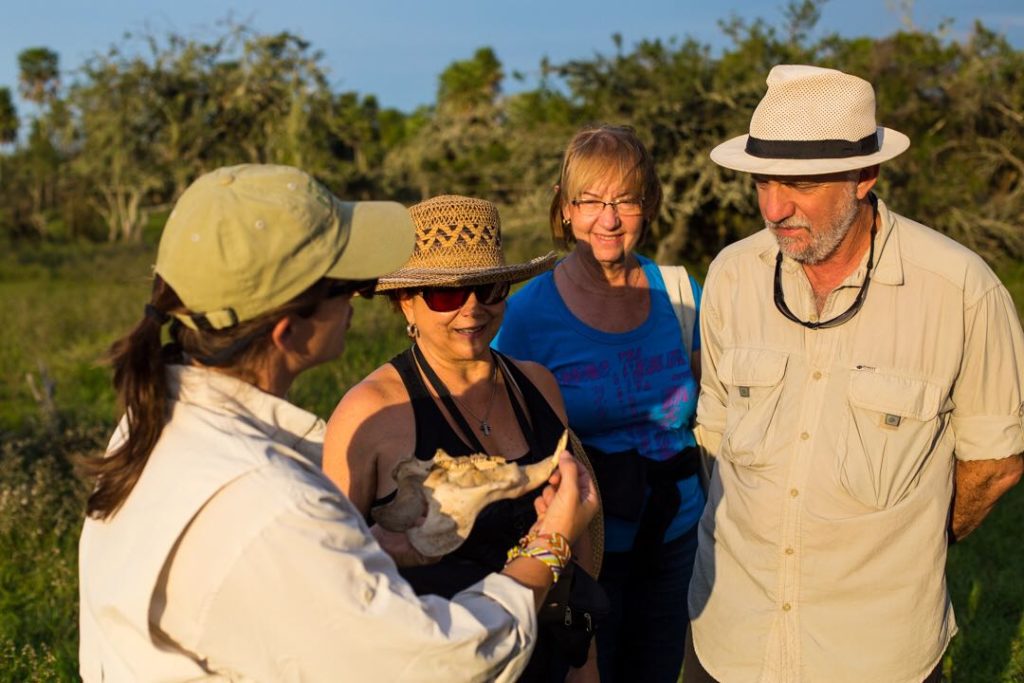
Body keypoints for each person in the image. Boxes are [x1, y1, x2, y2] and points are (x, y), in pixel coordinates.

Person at [77, 165, 598, 682]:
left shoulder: (151, 426)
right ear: (288, 330)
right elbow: (438, 663)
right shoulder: (274, 501)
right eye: (339, 282)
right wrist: (548, 546)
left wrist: (387, 548)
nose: (357, 293)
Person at [686, 64, 1024, 683]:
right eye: (762, 181)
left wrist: (913, 539)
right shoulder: (732, 276)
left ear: (865, 176)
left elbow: (996, 461)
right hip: (730, 635)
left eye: (800, 186)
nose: (774, 208)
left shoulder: (960, 290)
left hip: (874, 651)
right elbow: (714, 431)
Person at [323, 194, 603, 682]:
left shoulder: (537, 385)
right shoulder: (370, 413)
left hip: (550, 659)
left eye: (489, 288)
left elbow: (574, 555)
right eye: (446, 295)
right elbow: (333, 580)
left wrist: (585, 667)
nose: (472, 309)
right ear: (404, 302)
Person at [495, 124, 705, 683]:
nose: (607, 219)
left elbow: (718, 412)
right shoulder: (527, 314)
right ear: (564, 210)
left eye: (625, 201)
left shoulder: (682, 294)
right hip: (583, 543)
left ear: (648, 205)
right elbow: (499, 430)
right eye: (589, 201)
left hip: (678, 533)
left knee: (660, 670)